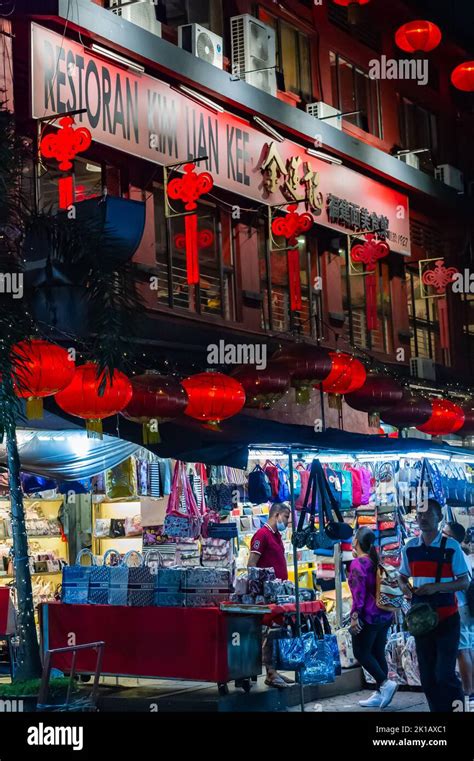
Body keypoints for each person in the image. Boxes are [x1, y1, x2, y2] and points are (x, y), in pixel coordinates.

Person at [399, 499, 471, 712]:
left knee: (444, 674)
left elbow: (464, 581)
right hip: (421, 621)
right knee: (428, 677)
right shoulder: (410, 548)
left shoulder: (451, 546)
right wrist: (405, 589)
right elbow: (402, 577)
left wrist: (435, 587)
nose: (423, 518)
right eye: (420, 514)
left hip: (447, 618)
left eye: (428, 514)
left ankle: (458, 709)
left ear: (439, 518)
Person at [348, 527, 398, 709]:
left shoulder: (358, 564)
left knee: (361, 652)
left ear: (356, 542)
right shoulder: (375, 561)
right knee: (377, 652)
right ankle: (379, 693)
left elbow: (358, 595)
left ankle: (385, 683)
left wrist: (354, 617)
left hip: (368, 616)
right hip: (385, 615)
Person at [248, 502, 292, 689]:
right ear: (276, 515)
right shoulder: (262, 535)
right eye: (286, 517)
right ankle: (270, 673)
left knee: (277, 632)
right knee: (269, 633)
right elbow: (252, 565)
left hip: (279, 594)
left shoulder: (277, 536)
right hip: (266, 595)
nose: (287, 522)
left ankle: (274, 670)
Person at [443, 521, 474, 703]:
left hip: (460, 606)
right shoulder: (462, 554)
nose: (442, 536)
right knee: (469, 647)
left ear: (453, 538)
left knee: (463, 650)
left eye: (445, 534)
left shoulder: (454, 554)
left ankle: (468, 691)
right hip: (468, 608)